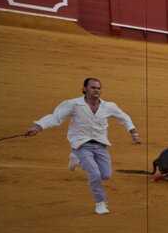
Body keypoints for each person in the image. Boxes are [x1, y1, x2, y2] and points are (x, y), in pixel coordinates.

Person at [24, 78, 141, 215]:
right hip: (81, 144)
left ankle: (77, 160)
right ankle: (100, 203)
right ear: (85, 89)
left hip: (100, 144)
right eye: (92, 87)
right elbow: (55, 118)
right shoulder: (73, 104)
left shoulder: (109, 106)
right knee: (95, 174)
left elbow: (124, 118)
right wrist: (38, 127)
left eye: (98, 88)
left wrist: (135, 134)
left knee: (106, 175)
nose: (96, 90)